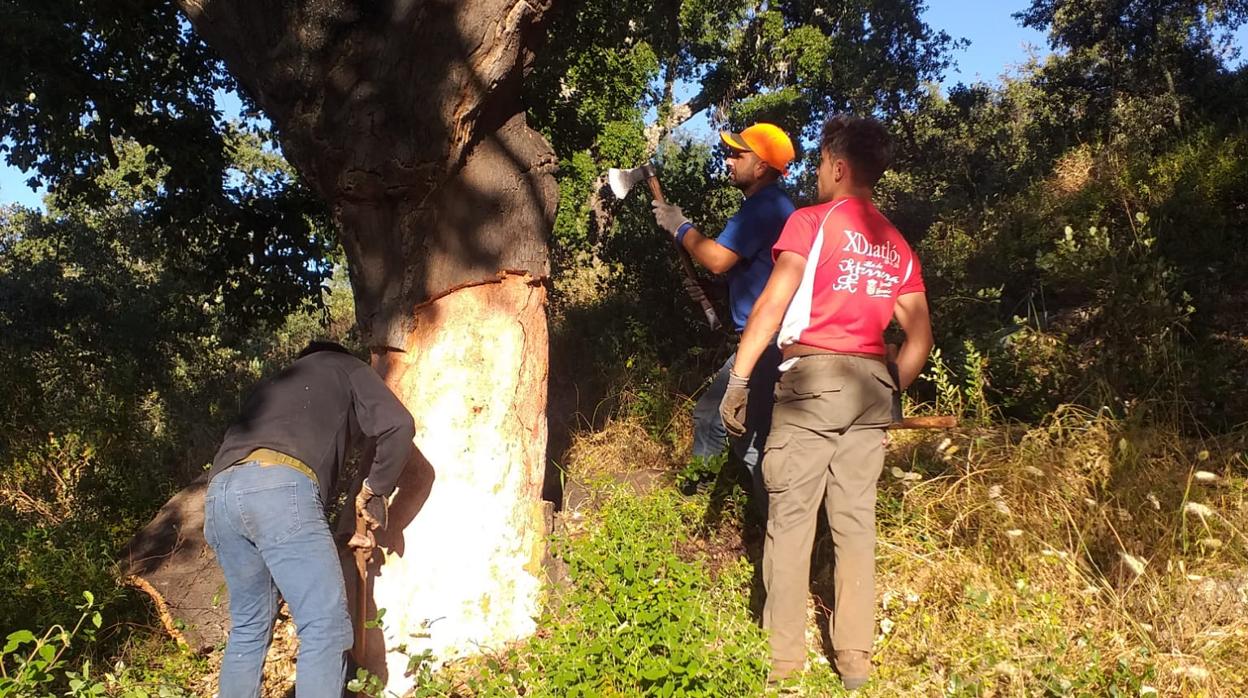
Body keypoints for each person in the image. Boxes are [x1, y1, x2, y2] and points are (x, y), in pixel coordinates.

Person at [719, 115, 934, 689]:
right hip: (870, 388)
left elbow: (770, 306)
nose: (815, 175)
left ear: (838, 168)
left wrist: (739, 381)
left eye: (819, 165)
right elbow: (920, 339)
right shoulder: (896, 244)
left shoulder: (813, 222)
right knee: (855, 525)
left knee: (790, 522)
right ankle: (855, 661)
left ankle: (784, 664)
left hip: (811, 381)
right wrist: (890, 391)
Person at [204, 341, 415, 698]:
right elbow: (399, 425)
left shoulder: (275, 385)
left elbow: (276, 515)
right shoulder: (345, 366)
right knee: (326, 628)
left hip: (219, 495)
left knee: (249, 628)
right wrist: (375, 489)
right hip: (280, 485)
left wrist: (340, 532)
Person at [651, 123, 796, 514]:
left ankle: (705, 503)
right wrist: (715, 293)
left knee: (724, 421)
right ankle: (775, 519)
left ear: (763, 167)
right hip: (771, 337)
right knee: (742, 430)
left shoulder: (765, 207)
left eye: (738, 155)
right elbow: (752, 273)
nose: (728, 161)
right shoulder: (776, 207)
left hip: (768, 339)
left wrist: (678, 226)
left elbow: (717, 258)